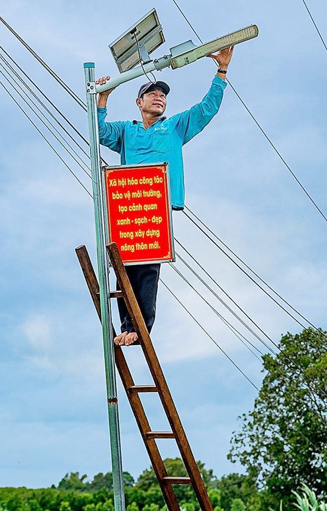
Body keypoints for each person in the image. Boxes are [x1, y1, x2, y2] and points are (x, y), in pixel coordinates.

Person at [95, 46, 234, 346]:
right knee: (123, 267)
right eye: (152, 93)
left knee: (147, 268)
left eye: (163, 94)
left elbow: (206, 109)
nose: (159, 97)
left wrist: (220, 73)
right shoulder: (126, 131)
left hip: (155, 206)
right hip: (128, 205)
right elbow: (99, 132)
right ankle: (125, 324)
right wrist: (102, 100)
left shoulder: (174, 126)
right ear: (139, 102)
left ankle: (141, 326)